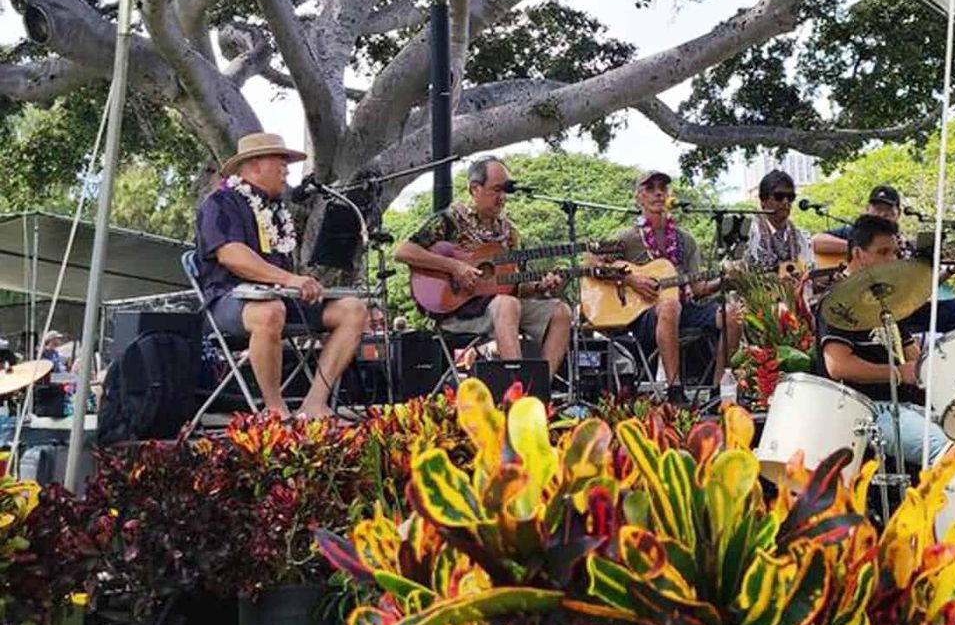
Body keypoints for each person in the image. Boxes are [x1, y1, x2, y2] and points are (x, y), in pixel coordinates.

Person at [195, 132, 366, 419]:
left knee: (353, 309)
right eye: (281, 162)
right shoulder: (220, 203)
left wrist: (303, 284)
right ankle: (275, 410)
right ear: (255, 165)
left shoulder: (277, 210)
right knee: (269, 312)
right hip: (228, 302)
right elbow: (232, 255)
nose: (287, 170)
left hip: (282, 299)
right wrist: (290, 280)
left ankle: (314, 404)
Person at [395, 156, 571, 377]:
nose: (502, 197)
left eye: (505, 190)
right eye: (496, 190)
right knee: (507, 305)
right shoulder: (450, 221)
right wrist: (454, 267)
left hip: (502, 307)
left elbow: (515, 286)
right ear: (475, 189)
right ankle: (515, 392)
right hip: (457, 312)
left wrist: (539, 287)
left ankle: (538, 391)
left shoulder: (511, 234)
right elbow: (404, 252)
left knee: (560, 311)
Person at [817, 213, 947, 466]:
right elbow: (838, 366)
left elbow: (911, 355)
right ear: (858, 254)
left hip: (903, 405)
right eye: (883, 252)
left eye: (895, 253)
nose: (892, 259)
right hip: (864, 409)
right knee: (942, 450)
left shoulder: (887, 299)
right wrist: (898, 373)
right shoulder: (840, 302)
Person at [600, 170, 740, 406]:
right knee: (669, 304)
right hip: (644, 316)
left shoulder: (685, 239)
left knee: (733, 314)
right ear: (639, 197)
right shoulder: (627, 238)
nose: (658, 193)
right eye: (650, 188)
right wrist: (632, 280)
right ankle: (675, 389)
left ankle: (719, 390)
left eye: (662, 188)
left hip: (686, 309)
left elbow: (698, 288)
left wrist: (725, 280)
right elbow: (593, 263)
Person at [812, 183, 955, 333]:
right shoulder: (856, 231)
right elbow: (816, 241)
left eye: (888, 209)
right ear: (867, 209)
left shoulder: (903, 245)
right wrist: (862, 249)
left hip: (900, 308)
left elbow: (919, 290)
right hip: (860, 307)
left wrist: (952, 269)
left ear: (898, 213)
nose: (882, 213)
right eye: (877, 208)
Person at [745, 170, 814, 270]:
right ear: (763, 201)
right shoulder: (748, 232)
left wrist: (830, 277)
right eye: (779, 196)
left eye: (790, 197)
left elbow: (810, 273)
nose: (786, 202)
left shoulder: (801, 237)